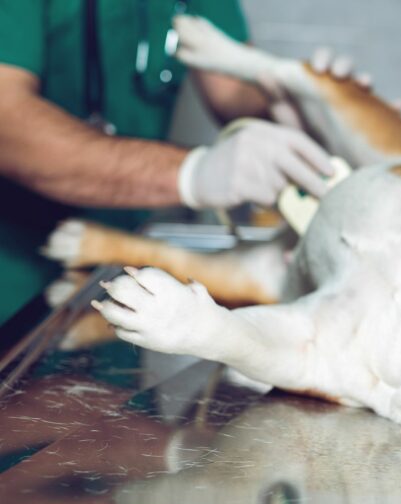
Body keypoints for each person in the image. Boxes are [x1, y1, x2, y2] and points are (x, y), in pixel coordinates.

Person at [0, 1, 350, 324]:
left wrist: (299, 105)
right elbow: (7, 125)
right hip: (15, 278)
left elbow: (232, 89)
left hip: (121, 263)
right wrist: (191, 172)